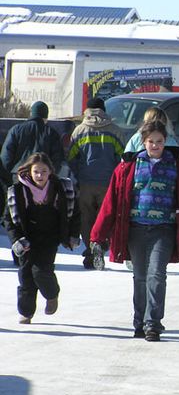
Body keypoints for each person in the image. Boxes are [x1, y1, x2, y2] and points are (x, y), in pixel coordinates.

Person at [90, 121, 179, 342]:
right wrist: (97, 234)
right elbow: (112, 201)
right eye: (151, 141)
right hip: (136, 228)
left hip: (164, 229)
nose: (155, 145)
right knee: (140, 277)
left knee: (157, 274)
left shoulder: (176, 165)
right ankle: (139, 321)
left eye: (159, 141)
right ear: (143, 142)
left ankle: (153, 323)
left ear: (165, 141)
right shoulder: (129, 166)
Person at [3, 153, 81, 324]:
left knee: (41, 271)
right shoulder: (17, 190)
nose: (40, 175)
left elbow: (75, 213)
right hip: (27, 238)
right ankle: (26, 312)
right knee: (26, 275)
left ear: (50, 172)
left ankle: (51, 294)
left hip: (50, 237)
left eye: (44, 171)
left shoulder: (61, 188)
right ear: (29, 172)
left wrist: (73, 235)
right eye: (36, 171)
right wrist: (17, 239)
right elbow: (8, 220)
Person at [67, 97, 125, 269]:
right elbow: (122, 159)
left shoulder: (79, 131)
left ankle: (90, 250)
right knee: (105, 217)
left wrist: (79, 174)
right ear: (104, 110)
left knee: (86, 218)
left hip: (85, 183)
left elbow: (71, 158)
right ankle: (101, 244)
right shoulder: (115, 131)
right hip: (108, 184)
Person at [1, 101, 64, 183]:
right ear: (45, 117)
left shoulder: (16, 130)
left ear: (32, 114)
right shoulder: (51, 133)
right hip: (42, 179)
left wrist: (9, 177)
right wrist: (49, 174)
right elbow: (57, 159)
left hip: (19, 177)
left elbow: (6, 158)